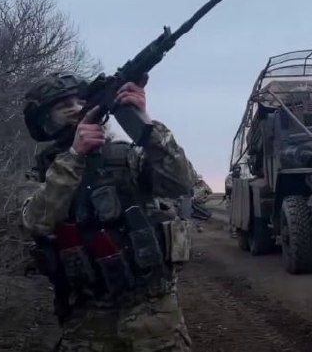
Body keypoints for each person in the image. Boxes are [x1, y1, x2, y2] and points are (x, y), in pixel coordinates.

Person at [19, 72, 195, 351]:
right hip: (87, 318)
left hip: (153, 313)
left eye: (80, 101)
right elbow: (36, 222)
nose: (76, 108)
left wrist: (146, 125)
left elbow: (180, 183)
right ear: (44, 121)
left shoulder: (127, 155)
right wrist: (74, 157)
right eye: (63, 105)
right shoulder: (43, 172)